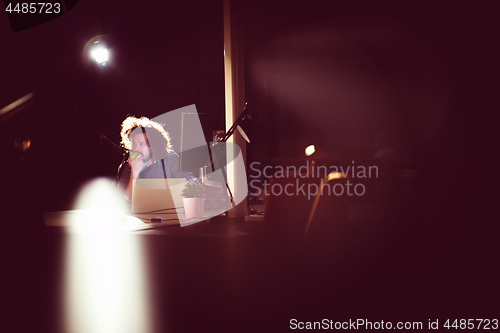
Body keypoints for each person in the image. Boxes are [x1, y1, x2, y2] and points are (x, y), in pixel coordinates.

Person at [119, 116, 196, 203]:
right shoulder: (128, 165)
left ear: (154, 146)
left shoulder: (169, 158)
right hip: (138, 215)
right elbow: (123, 202)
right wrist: (134, 172)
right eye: (134, 143)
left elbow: (190, 180)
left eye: (141, 144)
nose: (136, 149)